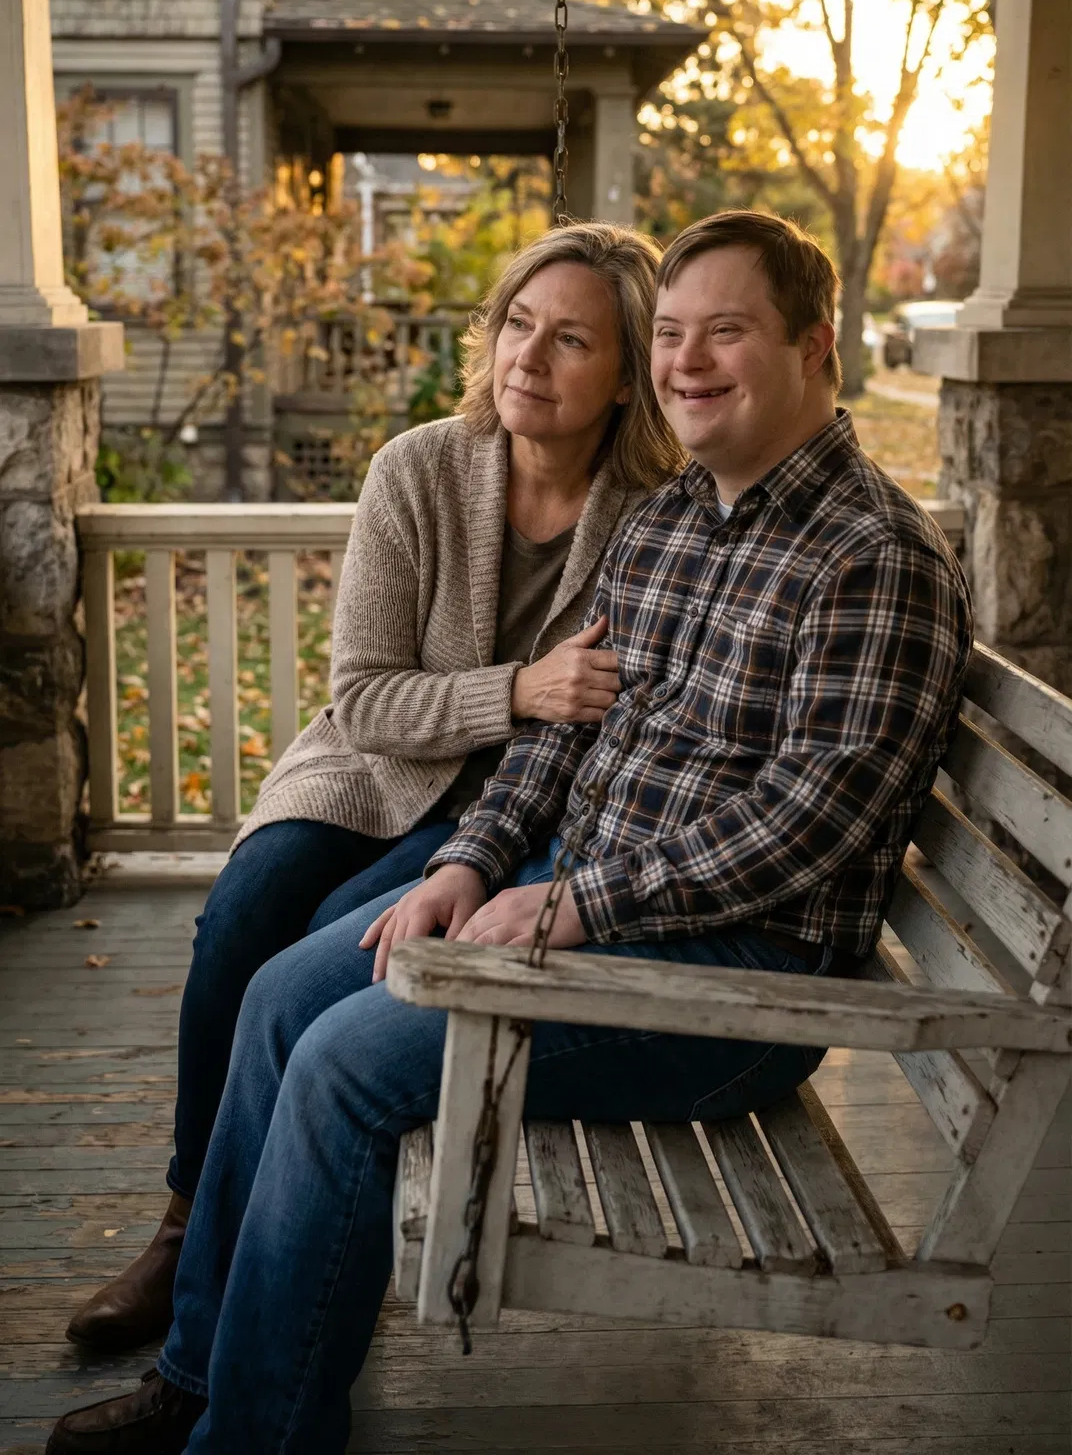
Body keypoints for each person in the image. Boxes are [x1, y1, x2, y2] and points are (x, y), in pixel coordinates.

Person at [48, 210, 973, 1455]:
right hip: (580, 905)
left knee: (346, 1067)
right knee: (278, 994)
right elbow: (558, 731)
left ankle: (255, 1437)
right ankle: (202, 1378)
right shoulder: (679, 516)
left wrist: (575, 904)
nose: (690, 362)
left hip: (737, 983)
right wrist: (467, 861)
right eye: (679, 336)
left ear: (817, 349)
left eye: (727, 333)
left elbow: (812, 820)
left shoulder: (872, 555)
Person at [65, 221, 682, 1356]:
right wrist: (523, 691)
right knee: (245, 915)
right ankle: (185, 1216)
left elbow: (614, 723)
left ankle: (292, 1231)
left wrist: (528, 734)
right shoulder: (419, 469)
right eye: (515, 325)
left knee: (332, 957)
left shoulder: (656, 514)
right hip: (372, 771)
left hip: (518, 811)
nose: (526, 359)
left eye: (571, 341)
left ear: (629, 373)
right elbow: (367, 699)